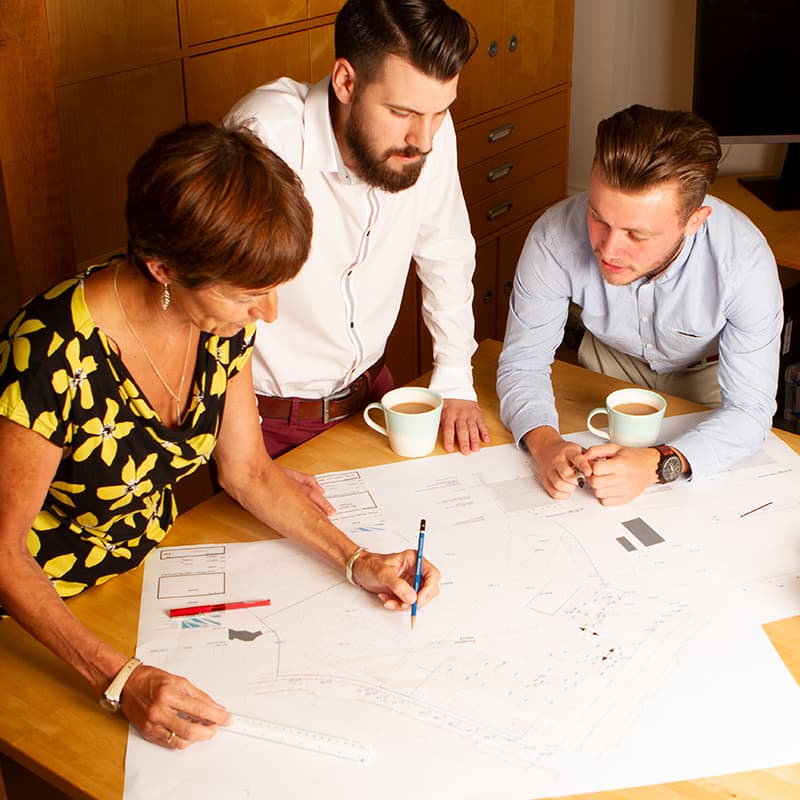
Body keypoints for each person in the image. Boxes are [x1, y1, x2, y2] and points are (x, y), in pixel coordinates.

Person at [0, 121, 440, 750]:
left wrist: (357, 560)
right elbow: (3, 554)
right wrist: (119, 678)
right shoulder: (46, 354)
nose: (269, 315)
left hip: (144, 576)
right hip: (43, 615)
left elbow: (248, 470)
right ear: (163, 269)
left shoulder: (218, 323)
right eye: (250, 296)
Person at [225, 0, 490, 459]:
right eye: (402, 112)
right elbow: (220, 305)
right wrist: (244, 456)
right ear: (346, 82)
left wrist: (455, 376)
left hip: (375, 399)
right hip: (266, 422)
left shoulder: (428, 134)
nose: (424, 140)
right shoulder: (265, 136)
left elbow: (446, 251)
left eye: (440, 112)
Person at [497, 104, 783, 506]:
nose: (609, 249)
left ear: (694, 221)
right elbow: (522, 364)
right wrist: (545, 445)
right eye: (598, 217)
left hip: (706, 379)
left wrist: (656, 465)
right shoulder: (553, 235)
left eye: (637, 233)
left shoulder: (744, 263)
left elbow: (750, 411)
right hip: (606, 367)